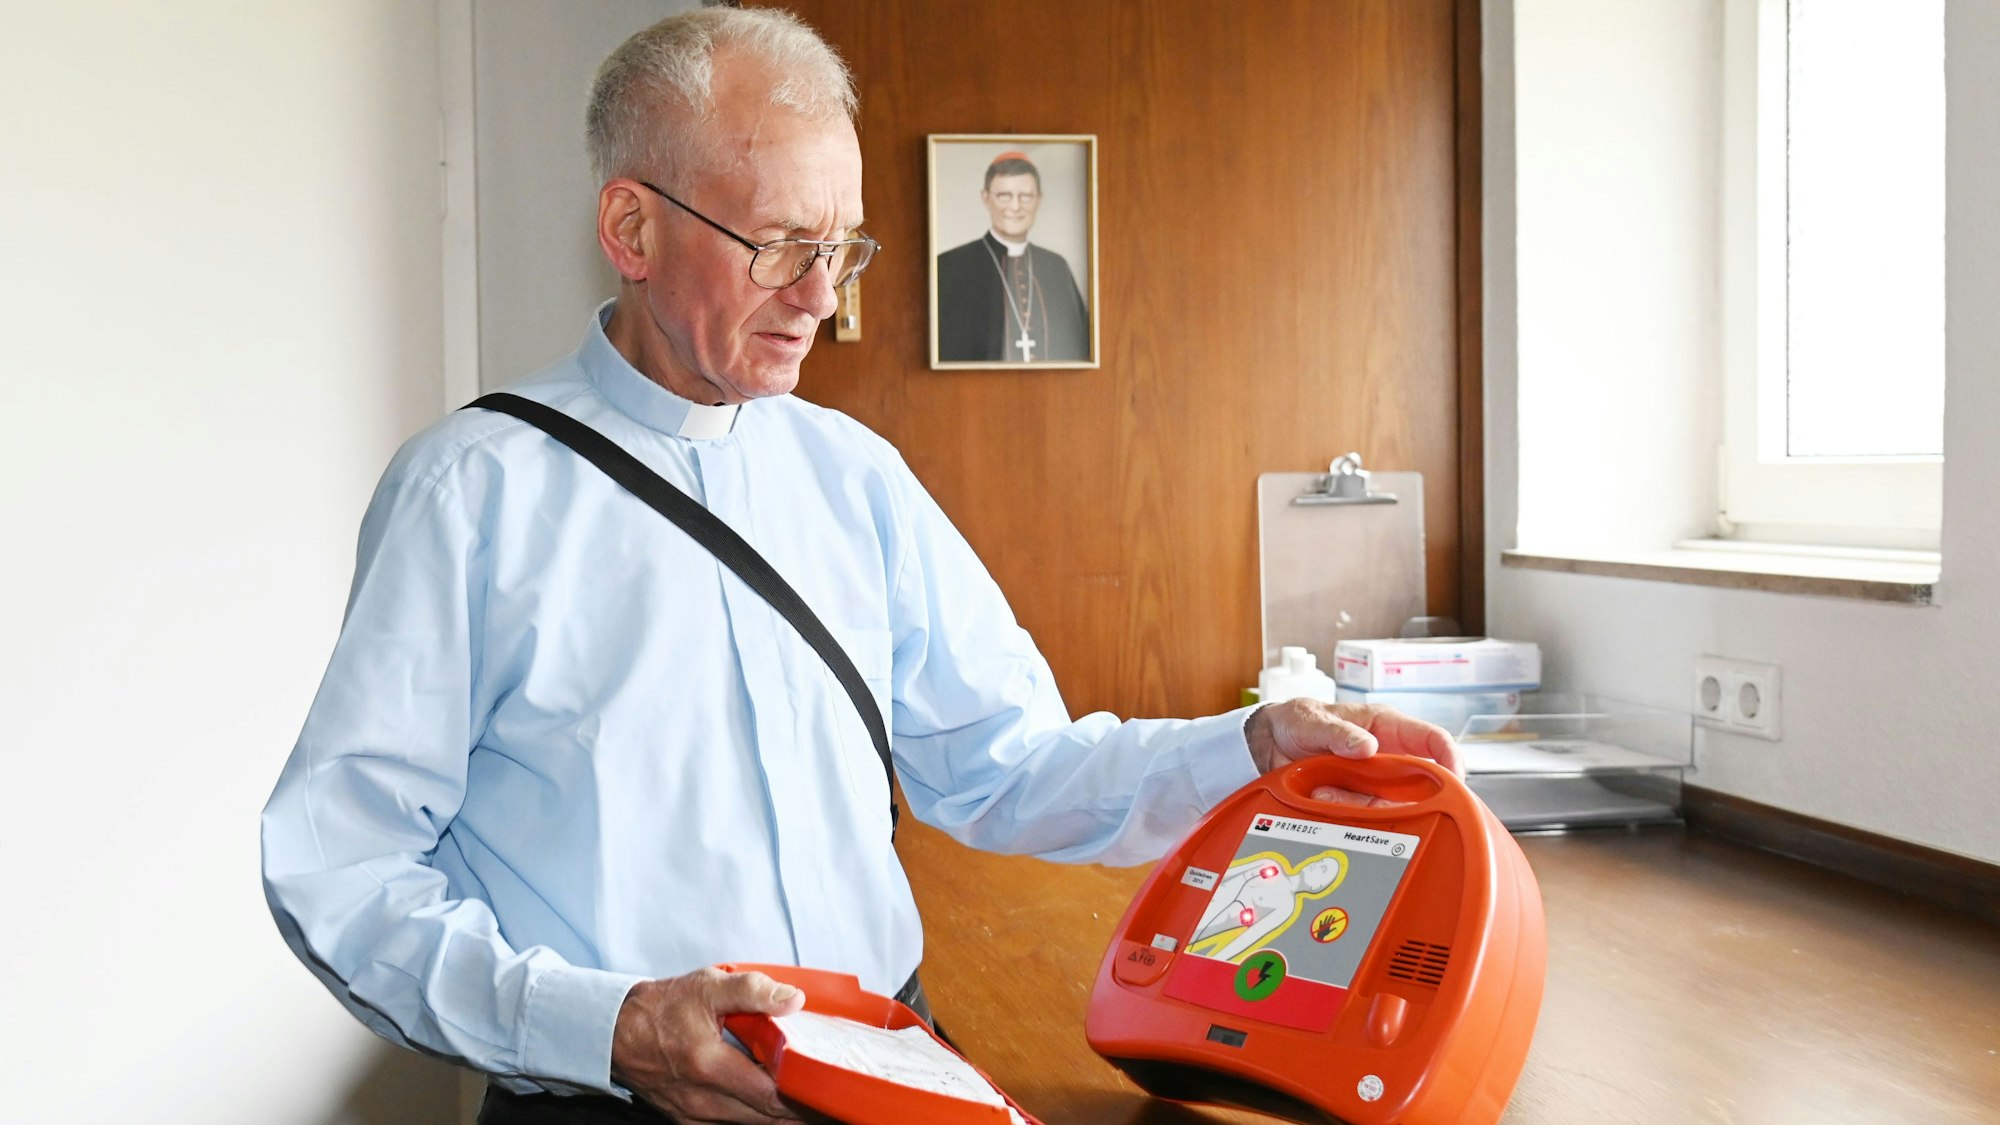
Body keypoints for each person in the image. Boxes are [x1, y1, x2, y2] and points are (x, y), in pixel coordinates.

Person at [259, 9, 1458, 1125]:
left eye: (840, 248)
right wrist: (610, 1029)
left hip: (879, 1076)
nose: (822, 298)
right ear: (631, 229)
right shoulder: (470, 492)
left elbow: (1008, 764)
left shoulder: (854, 475)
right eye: (779, 246)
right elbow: (342, 866)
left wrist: (1248, 747)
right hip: (609, 1100)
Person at [934, 153, 1091, 363]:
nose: (1015, 207)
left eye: (1026, 196)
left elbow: (1080, 350)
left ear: (1039, 200)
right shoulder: (949, 266)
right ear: (986, 198)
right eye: (1004, 196)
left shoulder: (1056, 267)